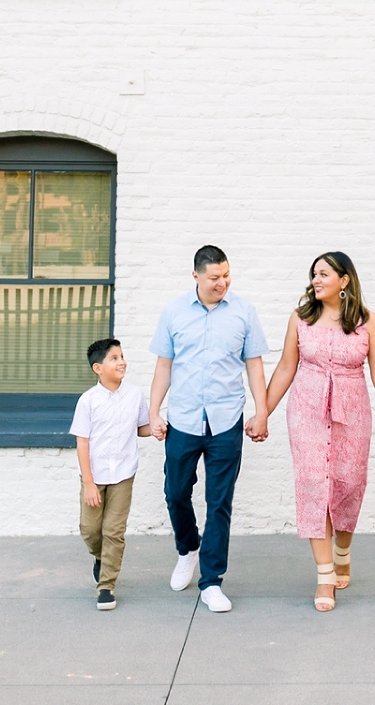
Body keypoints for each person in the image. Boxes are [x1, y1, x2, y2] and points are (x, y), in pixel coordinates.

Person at [261, 252, 375, 612]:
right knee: (313, 487)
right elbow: (286, 367)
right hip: (306, 410)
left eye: (324, 274)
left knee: (348, 484)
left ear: (345, 280)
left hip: (352, 412)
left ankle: (342, 551)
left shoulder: (369, 322)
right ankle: (324, 577)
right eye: (314, 274)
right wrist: (263, 412)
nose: (316, 280)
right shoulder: (300, 319)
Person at [149, 245, 269, 613]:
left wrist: (261, 411)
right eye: (215, 277)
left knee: (219, 502)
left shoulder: (244, 312)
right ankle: (188, 549)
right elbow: (164, 367)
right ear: (196, 276)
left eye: (226, 276)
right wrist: (154, 412)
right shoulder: (173, 312)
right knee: (175, 493)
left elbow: (254, 367)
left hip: (226, 421)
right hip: (182, 420)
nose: (222, 283)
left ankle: (212, 581)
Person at [70, 338, 151, 610]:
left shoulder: (135, 395)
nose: (121, 362)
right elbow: (83, 442)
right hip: (94, 476)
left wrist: (162, 426)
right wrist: (89, 483)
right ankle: (100, 557)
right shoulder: (88, 401)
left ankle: (106, 586)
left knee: (114, 531)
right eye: (113, 358)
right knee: (90, 530)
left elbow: (142, 428)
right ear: (98, 368)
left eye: (122, 356)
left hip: (124, 474)